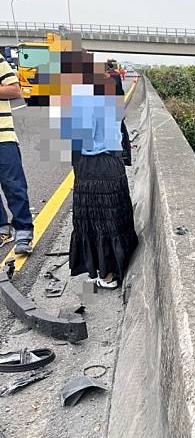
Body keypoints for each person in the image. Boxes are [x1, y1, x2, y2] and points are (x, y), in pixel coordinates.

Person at [63, 55, 138, 289]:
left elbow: (77, 140)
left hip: (91, 167)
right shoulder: (110, 98)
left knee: (93, 221)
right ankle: (112, 270)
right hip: (111, 164)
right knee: (114, 219)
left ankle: (103, 273)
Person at [0, 54, 33, 254]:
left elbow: (15, 89)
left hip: (3, 138)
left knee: (14, 187)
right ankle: (3, 229)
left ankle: (23, 232)